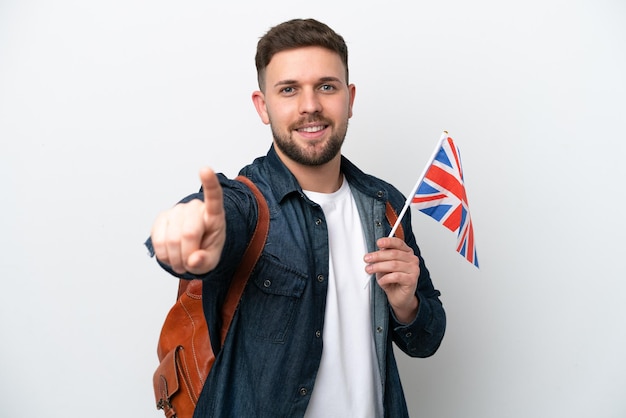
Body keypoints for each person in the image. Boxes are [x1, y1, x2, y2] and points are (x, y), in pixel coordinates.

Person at [147, 18, 446, 418]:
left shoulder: (386, 204)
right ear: (263, 106)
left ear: (350, 98)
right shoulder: (246, 205)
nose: (310, 106)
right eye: (289, 89)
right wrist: (192, 230)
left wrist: (407, 305)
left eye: (326, 86)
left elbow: (426, 341)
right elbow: (213, 223)